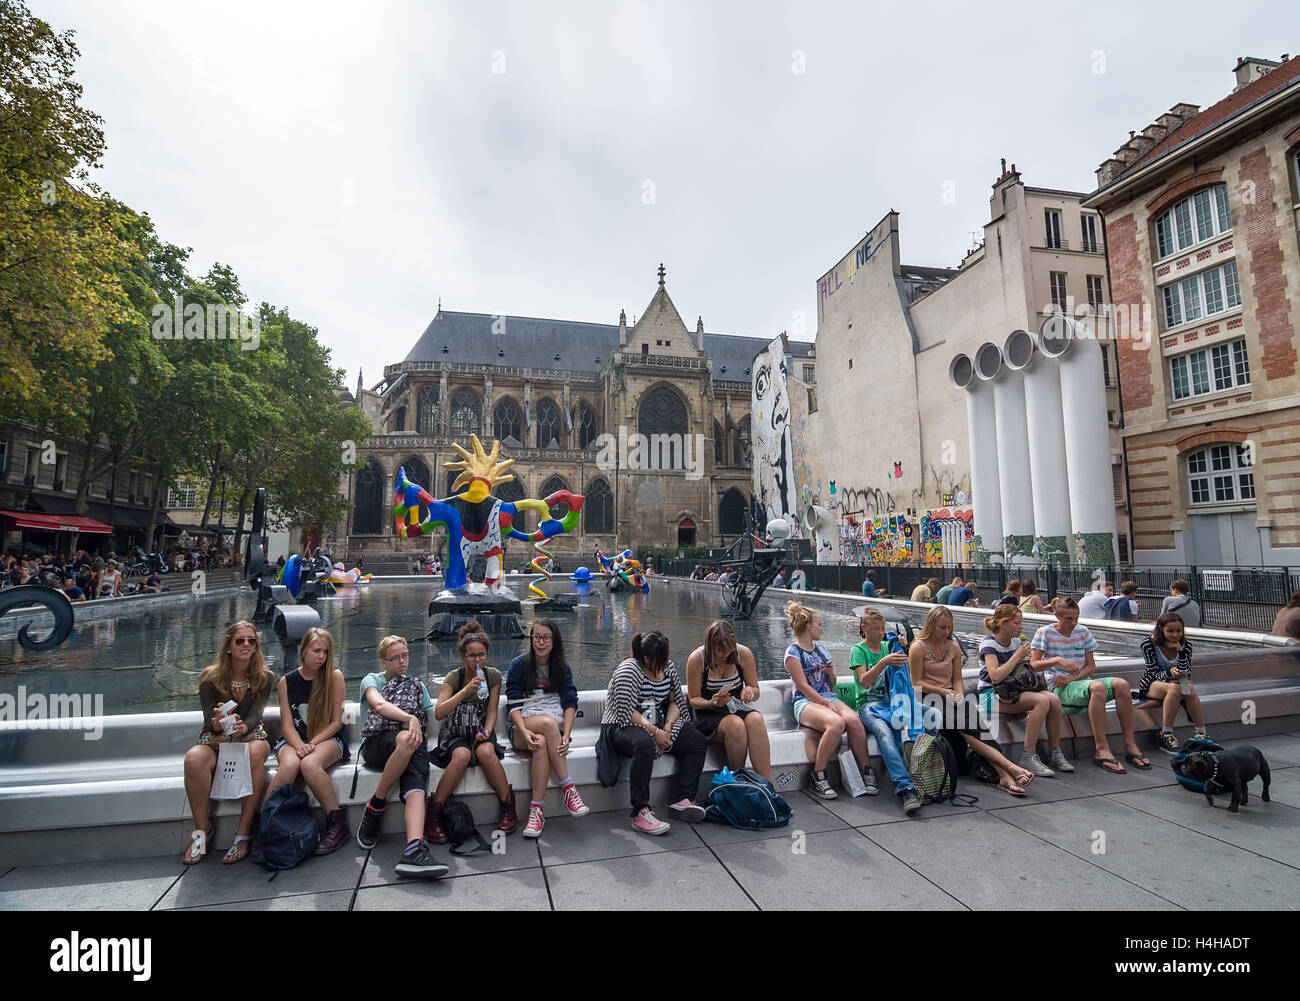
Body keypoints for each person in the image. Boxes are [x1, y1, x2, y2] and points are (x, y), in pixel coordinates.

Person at [912, 605, 1038, 795]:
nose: (947, 631)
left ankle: (1005, 775)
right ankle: (1009, 769)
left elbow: (956, 679)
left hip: (951, 697)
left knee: (980, 729)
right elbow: (916, 683)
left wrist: (960, 695)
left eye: (949, 627)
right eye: (942, 627)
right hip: (927, 698)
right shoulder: (917, 647)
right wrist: (944, 693)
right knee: (968, 728)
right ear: (931, 625)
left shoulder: (952, 647)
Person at [354, 636, 448, 878]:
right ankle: (376, 805)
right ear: (383, 661)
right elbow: (379, 705)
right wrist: (409, 718)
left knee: (416, 777)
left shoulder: (417, 685)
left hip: (409, 742)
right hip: (377, 744)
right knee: (407, 738)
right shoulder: (371, 680)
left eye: (405, 655)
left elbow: (433, 715)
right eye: (395, 657)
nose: (402, 661)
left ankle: (414, 848)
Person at [181, 621, 273, 864]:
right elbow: (208, 719)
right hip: (216, 740)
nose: (246, 645)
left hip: (250, 736)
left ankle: (243, 832)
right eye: (240, 640)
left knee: (255, 752)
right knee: (194, 758)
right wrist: (218, 721)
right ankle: (202, 829)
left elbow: (256, 714)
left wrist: (245, 726)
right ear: (229, 646)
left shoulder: (264, 677)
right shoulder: (209, 678)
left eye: (251, 640)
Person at [602, 631, 709, 835]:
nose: (667, 663)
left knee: (696, 741)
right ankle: (640, 811)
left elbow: (675, 701)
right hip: (622, 725)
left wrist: (667, 726)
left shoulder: (666, 667)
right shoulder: (629, 670)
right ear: (647, 658)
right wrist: (655, 732)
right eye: (662, 659)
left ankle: (685, 799)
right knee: (644, 744)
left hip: (659, 722)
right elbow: (626, 712)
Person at [1031, 597, 1150, 774]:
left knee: (1123, 685)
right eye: (1069, 618)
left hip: (1077, 682)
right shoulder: (1044, 632)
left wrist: (1073, 678)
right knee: (1098, 687)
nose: (1073, 623)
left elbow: (1091, 667)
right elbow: (1033, 664)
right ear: (1057, 616)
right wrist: (1057, 660)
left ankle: (1129, 744)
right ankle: (1101, 749)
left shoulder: (1083, 632)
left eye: (1076, 618)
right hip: (1057, 686)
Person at [263, 627, 351, 854]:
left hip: (328, 738)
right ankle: (264, 824)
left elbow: (336, 722)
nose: (321, 657)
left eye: (325, 652)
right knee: (290, 765)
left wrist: (312, 744)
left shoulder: (334, 676)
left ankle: (336, 824)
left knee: (310, 764)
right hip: (294, 739)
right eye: (316, 651)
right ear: (304, 650)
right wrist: (300, 745)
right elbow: (287, 725)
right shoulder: (286, 681)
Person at [428, 620, 517, 839]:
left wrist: (487, 731)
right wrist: (466, 689)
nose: (477, 660)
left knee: (486, 751)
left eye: (481, 655)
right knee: (461, 754)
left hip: (480, 727)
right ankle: (435, 812)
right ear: (462, 656)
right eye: (472, 656)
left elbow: (492, 712)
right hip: (455, 731)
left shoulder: (493, 675)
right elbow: (439, 713)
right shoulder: (454, 677)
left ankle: (508, 807)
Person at [506, 618, 588, 839]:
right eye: (537, 637)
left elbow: (570, 703)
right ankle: (569, 789)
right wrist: (523, 732)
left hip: (549, 728)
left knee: (541, 744)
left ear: (554, 641)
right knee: (548, 725)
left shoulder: (561, 667)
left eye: (546, 638)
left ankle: (536, 812)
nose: (540, 642)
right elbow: (512, 706)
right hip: (521, 724)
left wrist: (566, 735)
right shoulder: (519, 665)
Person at [784, 601, 872, 799]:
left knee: (855, 722)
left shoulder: (822, 649)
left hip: (829, 697)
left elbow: (832, 683)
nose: (821, 628)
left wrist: (831, 673)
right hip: (806, 702)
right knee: (836, 723)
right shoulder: (793, 653)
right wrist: (825, 705)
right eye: (819, 624)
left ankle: (866, 770)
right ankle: (818, 775)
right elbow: (804, 687)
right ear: (808, 626)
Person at [975, 605, 1066, 789]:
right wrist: (1017, 656)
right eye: (1017, 623)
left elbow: (1027, 669)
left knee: (1054, 699)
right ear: (1003, 623)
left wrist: (1054, 662)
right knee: (1041, 700)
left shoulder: (1016, 642)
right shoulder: (989, 645)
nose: (1021, 627)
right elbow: (996, 676)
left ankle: (1054, 751)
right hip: (990, 695)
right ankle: (1028, 755)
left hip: (1013, 692)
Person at [851, 608, 920, 814]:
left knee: (930, 716)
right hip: (868, 705)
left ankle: (922, 769)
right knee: (884, 734)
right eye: (875, 629)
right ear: (864, 628)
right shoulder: (858, 650)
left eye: (883, 628)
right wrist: (883, 662)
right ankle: (905, 787)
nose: (881, 633)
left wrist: (904, 649)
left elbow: (903, 674)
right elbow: (864, 681)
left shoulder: (887, 646)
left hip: (892, 703)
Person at [686, 620, 771, 779]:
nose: (725, 655)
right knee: (735, 724)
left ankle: (766, 784)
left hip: (736, 706)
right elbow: (693, 699)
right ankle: (737, 778)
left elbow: (756, 689)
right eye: (720, 651)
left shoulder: (743, 654)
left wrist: (749, 690)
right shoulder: (697, 659)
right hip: (708, 713)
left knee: (756, 720)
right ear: (710, 646)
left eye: (729, 650)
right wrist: (713, 702)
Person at [1138, 614, 1209, 753]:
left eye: (1178, 631)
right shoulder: (1148, 644)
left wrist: (1180, 652)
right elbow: (1153, 672)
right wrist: (1169, 673)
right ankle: (1166, 733)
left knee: (1190, 689)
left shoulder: (1186, 645)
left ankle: (1202, 734)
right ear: (1161, 629)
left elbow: (1186, 670)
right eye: (1170, 631)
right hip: (1153, 682)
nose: (1175, 635)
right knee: (1174, 689)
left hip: (1178, 681)